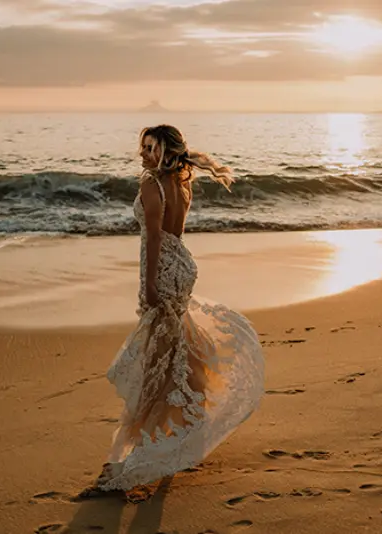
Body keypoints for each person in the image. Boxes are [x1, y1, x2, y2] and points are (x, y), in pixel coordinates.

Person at [91, 124, 265, 492]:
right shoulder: (183, 183)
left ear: (165, 150)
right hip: (182, 265)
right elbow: (175, 234)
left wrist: (149, 284)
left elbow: (154, 237)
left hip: (164, 269)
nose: (142, 153)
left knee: (157, 360)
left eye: (149, 147)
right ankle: (187, 427)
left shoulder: (150, 184)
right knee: (176, 350)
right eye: (142, 147)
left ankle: (148, 445)